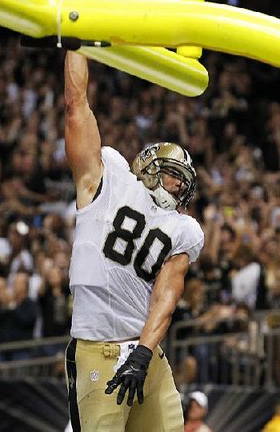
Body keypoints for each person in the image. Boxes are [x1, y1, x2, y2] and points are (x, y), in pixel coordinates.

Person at [62, 51, 204, 432]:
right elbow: (76, 106)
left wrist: (143, 354)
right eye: (172, 174)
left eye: (182, 182)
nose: (176, 186)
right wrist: (78, 38)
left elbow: (167, 296)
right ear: (147, 164)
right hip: (97, 350)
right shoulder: (109, 179)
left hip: (145, 352)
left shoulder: (183, 228)